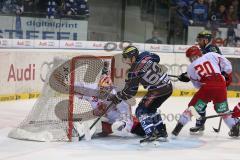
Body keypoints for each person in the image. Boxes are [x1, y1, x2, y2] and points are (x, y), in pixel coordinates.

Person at [108, 45, 173, 143]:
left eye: (127, 57)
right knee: (151, 109)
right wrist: (149, 66)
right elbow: (157, 58)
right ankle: (161, 131)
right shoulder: (146, 55)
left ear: (133, 57)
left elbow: (131, 92)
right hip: (168, 86)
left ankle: (151, 134)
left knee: (141, 111)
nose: (126, 60)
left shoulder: (133, 72)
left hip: (157, 90)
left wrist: (118, 96)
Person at [172, 46, 240, 138]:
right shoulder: (211, 55)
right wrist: (223, 74)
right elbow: (228, 65)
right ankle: (234, 128)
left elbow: (197, 85)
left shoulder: (190, 68)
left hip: (207, 87)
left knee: (191, 109)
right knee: (223, 111)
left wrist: (188, 77)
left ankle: (176, 130)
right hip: (221, 84)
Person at [180, 30, 226, 134]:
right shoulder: (204, 49)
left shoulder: (211, 49)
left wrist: (187, 75)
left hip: (216, 81)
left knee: (208, 103)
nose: (198, 42)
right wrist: (186, 74)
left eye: (200, 40)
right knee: (201, 103)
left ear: (206, 40)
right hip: (209, 81)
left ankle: (232, 121)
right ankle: (200, 123)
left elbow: (205, 64)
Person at [75, 73, 145, 139]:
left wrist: (123, 124)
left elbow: (126, 116)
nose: (106, 91)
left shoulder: (117, 95)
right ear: (99, 86)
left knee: (137, 128)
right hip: (101, 119)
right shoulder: (91, 89)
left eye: (108, 88)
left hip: (114, 121)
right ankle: (79, 128)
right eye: (103, 88)